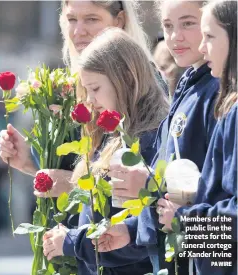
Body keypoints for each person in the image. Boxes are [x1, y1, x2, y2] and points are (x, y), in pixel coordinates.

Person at [95, 1, 220, 274]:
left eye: (188, 23)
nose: (175, 37)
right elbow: (173, 202)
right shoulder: (191, 86)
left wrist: (151, 185)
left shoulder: (217, 95)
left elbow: (219, 204)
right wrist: (132, 230)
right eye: (167, 26)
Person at [0, 0, 166, 199]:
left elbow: (137, 188)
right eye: (71, 19)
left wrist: (73, 187)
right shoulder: (76, 84)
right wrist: (30, 160)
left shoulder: (139, 81)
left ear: (119, 20)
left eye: (91, 19)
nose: (79, 31)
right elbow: (75, 166)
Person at [42, 27, 169, 275]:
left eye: (96, 89)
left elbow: (143, 233)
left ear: (125, 80)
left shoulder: (149, 136)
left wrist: (72, 243)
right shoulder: (112, 132)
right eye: (87, 90)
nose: (90, 99)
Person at [157, 1, 237, 274]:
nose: (203, 47)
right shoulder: (194, 86)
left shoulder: (228, 104)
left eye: (209, 36)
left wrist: (184, 221)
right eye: (167, 26)